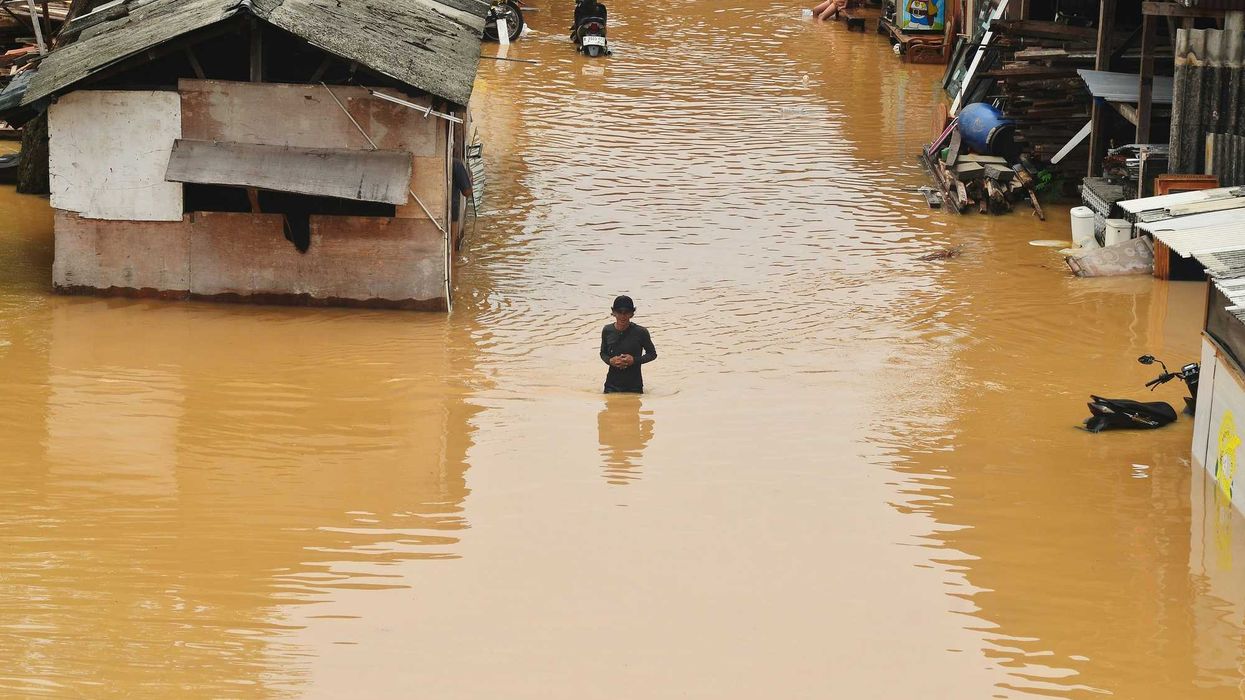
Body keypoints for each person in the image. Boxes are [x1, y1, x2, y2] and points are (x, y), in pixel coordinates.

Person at [599, 295, 657, 394]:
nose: (623, 316)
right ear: (613, 313)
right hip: (611, 387)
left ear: (632, 314)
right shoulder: (607, 330)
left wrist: (634, 360)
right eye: (619, 312)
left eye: (626, 312)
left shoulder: (641, 332)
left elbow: (652, 354)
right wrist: (610, 361)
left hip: (634, 387)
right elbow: (602, 353)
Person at [451, 158, 473, 249]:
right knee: (451, 245)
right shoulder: (456, 164)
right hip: (451, 212)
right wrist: (470, 181)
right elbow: (467, 192)